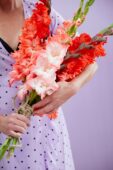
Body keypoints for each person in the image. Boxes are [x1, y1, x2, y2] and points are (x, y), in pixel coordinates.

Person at [0, 0, 98, 169]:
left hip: (45, 131)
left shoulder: (41, 10)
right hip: (4, 131)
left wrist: (71, 88)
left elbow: (90, 61)